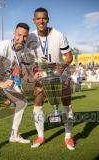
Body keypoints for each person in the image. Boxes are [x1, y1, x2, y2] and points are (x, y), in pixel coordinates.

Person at [0, 23, 40, 156]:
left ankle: (13, 135)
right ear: (14, 33)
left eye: (24, 36)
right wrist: (1, 84)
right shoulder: (3, 46)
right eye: (19, 35)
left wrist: (34, 78)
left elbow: (25, 77)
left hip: (3, 77)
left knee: (22, 102)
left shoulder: (24, 52)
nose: (21, 39)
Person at [27, 7, 75, 150]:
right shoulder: (30, 37)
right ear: (34, 20)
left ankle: (68, 137)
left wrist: (64, 65)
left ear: (48, 19)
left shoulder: (59, 35)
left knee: (67, 103)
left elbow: (69, 56)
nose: (41, 21)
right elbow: (27, 58)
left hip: (59, 72)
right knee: (37, 104)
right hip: (42, 73)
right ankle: (41, 136)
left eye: (44, 18)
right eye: (38, 18)